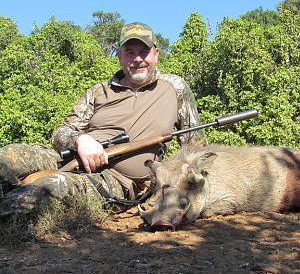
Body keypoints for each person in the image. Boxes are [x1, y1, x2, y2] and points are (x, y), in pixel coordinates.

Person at [0, 22, 206, 216]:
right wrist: (81, 140)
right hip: (71, 158)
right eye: (130, 52)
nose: (137, 59)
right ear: (119, 56)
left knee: (35, 195)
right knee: (8, 157)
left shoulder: (175, 88)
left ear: (156, 54)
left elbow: (195, 148)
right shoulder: (99, 91)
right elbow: (60, 132)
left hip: (117, 180)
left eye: (144, 52)